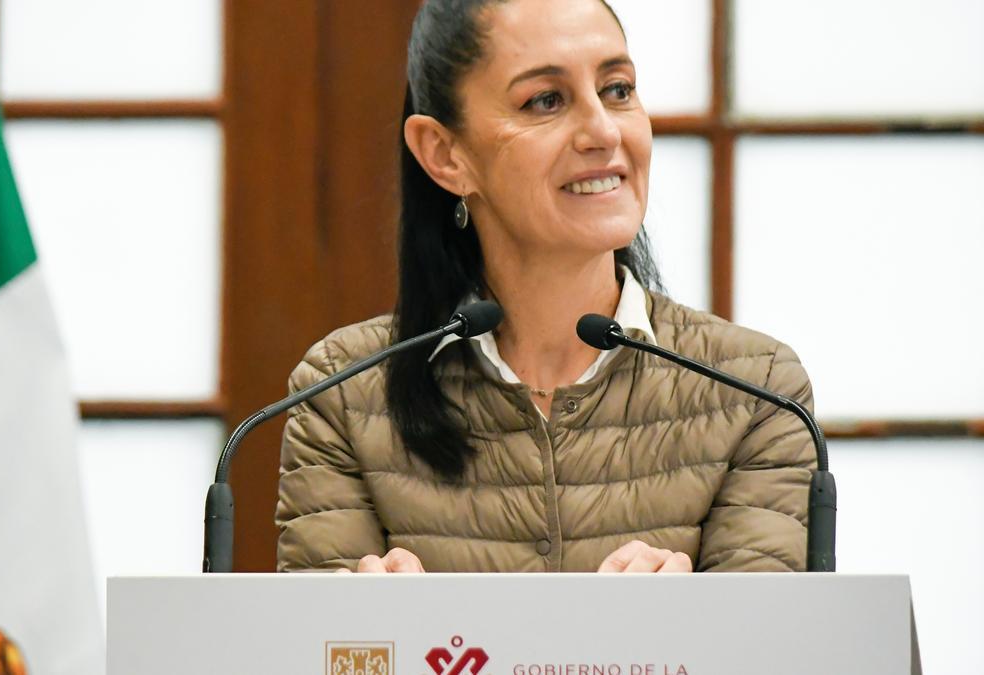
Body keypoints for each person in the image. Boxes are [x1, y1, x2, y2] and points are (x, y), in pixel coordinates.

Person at [275, 0, 816, 574]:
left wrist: (672, 639)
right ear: (444, 153)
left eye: (618, 90)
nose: (603, 132)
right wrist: (388, 641)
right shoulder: (341, 395)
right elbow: (329, 657)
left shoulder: (756, 391)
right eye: (546, 101)